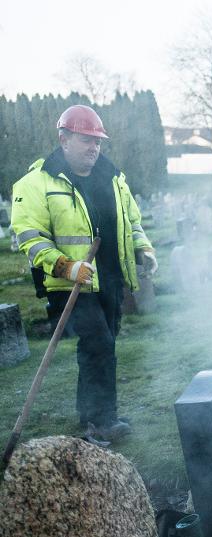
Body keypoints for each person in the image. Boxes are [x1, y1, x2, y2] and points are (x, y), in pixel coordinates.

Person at [10, 104, 157, 443]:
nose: (94, 147)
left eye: (98, 142)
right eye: (86, 140)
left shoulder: (114, 177)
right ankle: (97, 423)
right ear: (64, 139)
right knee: (97, 344)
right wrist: (65, 266)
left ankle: (103, 415)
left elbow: (131, 222)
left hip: (109, 279)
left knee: (106, 345)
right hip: (69, 284)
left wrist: (143, 249)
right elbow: (28, 237)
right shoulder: (36, 183)